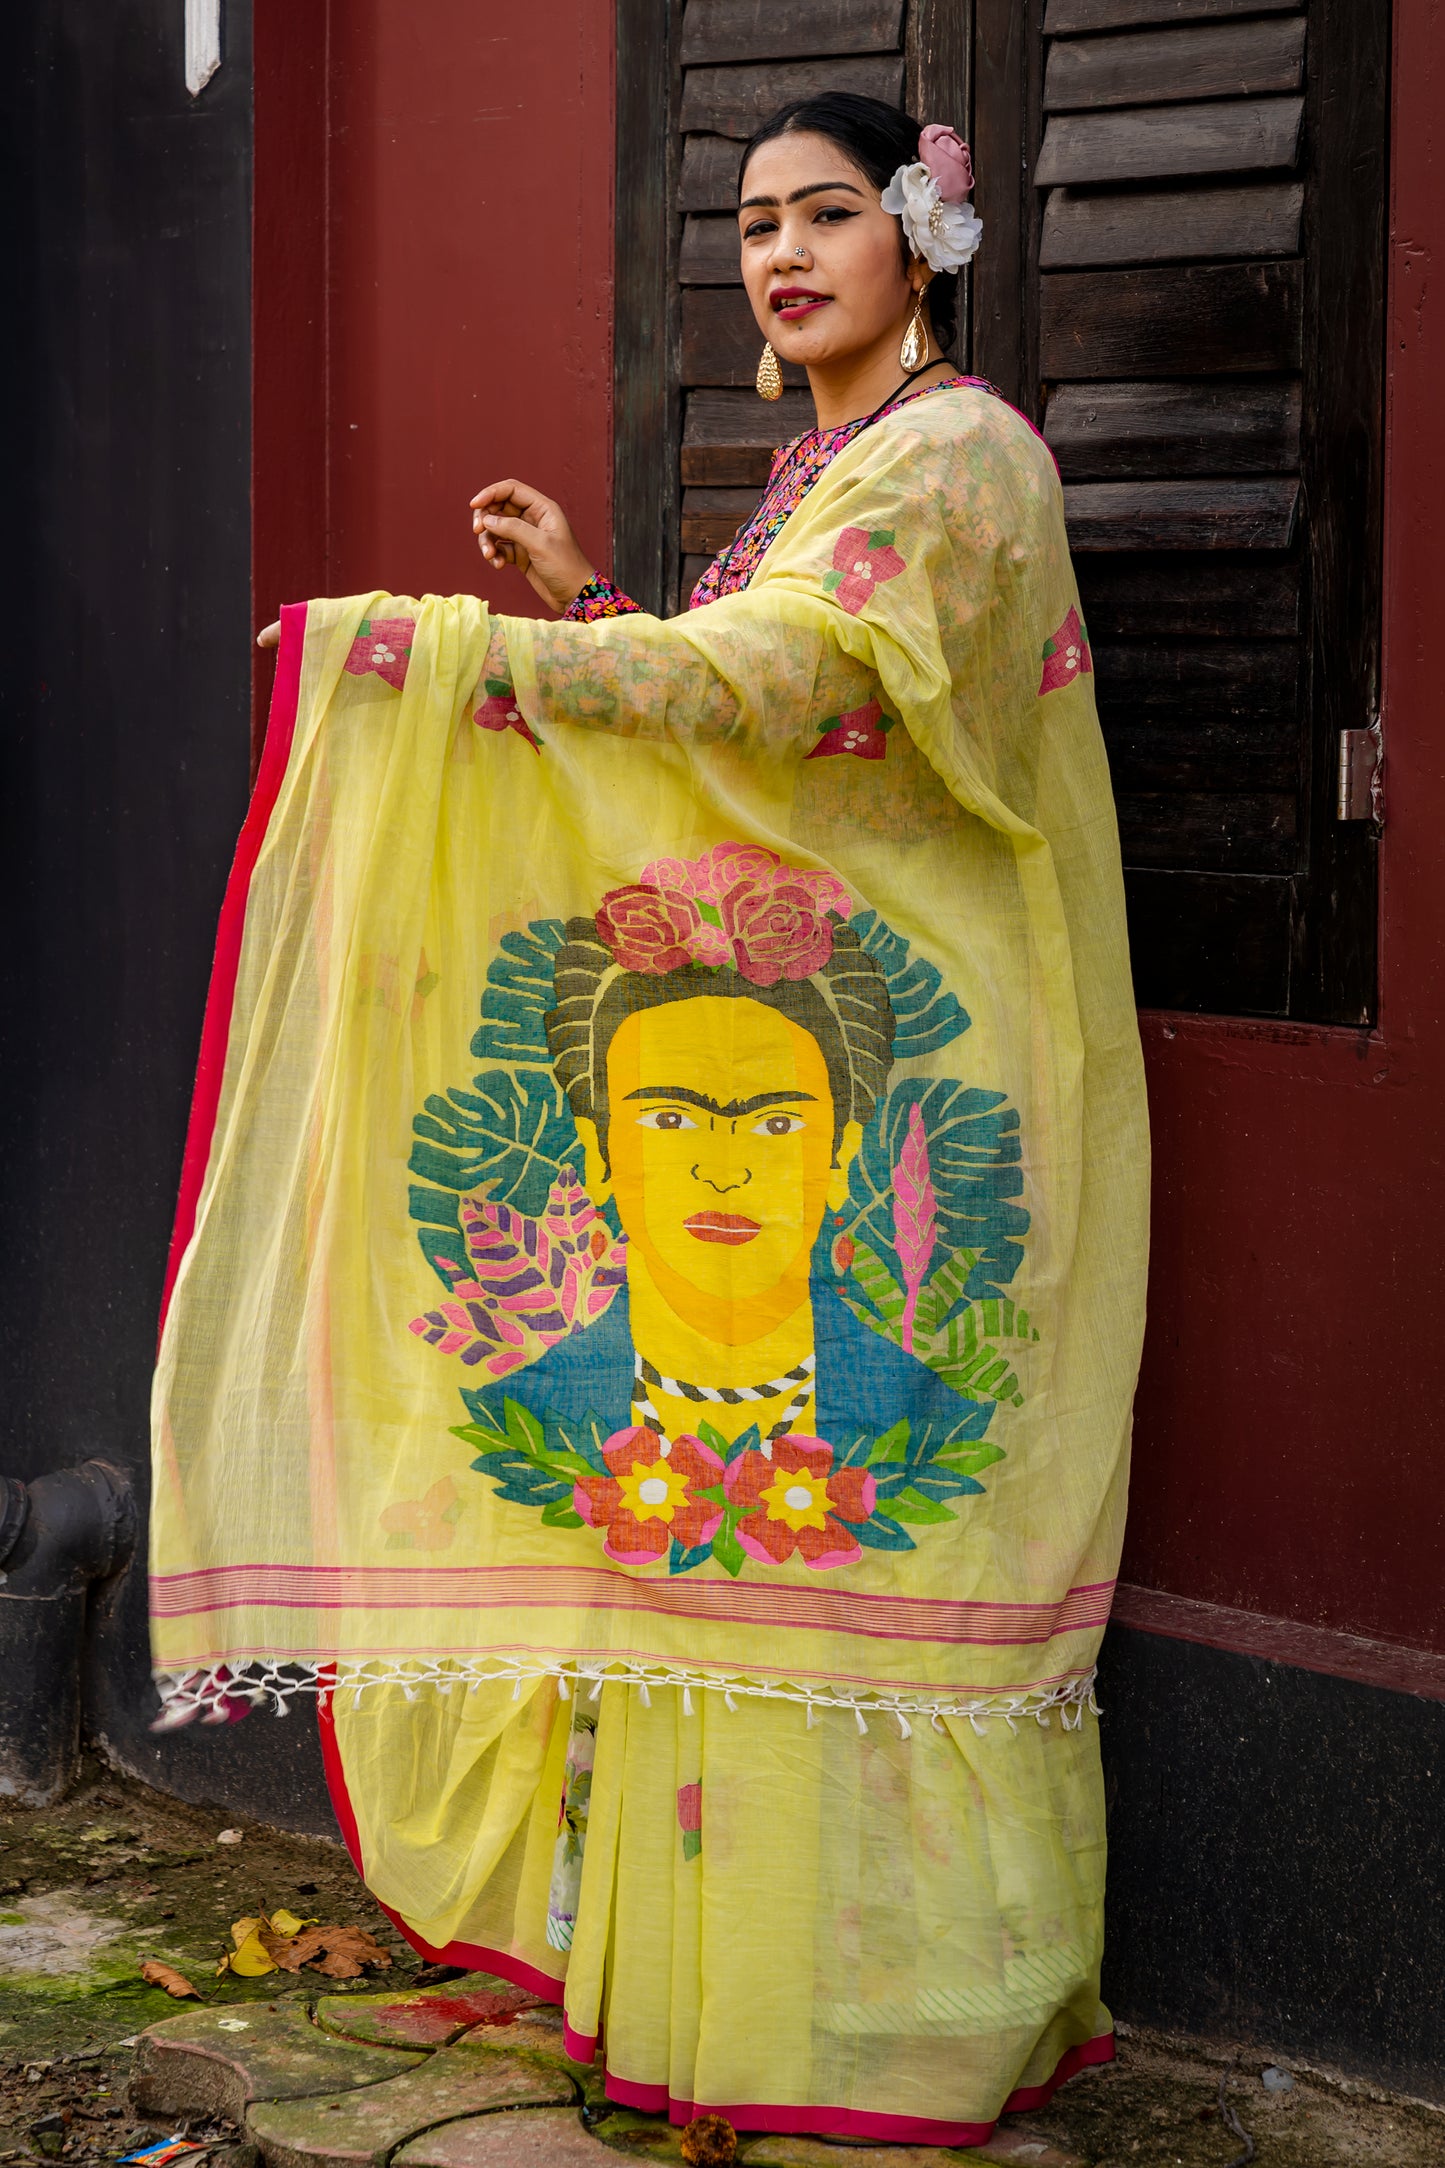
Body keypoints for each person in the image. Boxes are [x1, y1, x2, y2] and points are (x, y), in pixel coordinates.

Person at [163, 93, 1147, 2146]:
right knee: (705, 1532)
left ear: (924, 239)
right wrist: (603, 611)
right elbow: (770, 720)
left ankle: (906, 2025)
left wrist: (465, 663)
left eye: (832, 218)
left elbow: (790, 685)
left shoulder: (957, 459)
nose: (784, 258)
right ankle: (708, 2006)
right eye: (755, 224)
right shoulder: (834, 469)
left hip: (898, 1086)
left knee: (881, 1514)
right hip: (762, 1069)